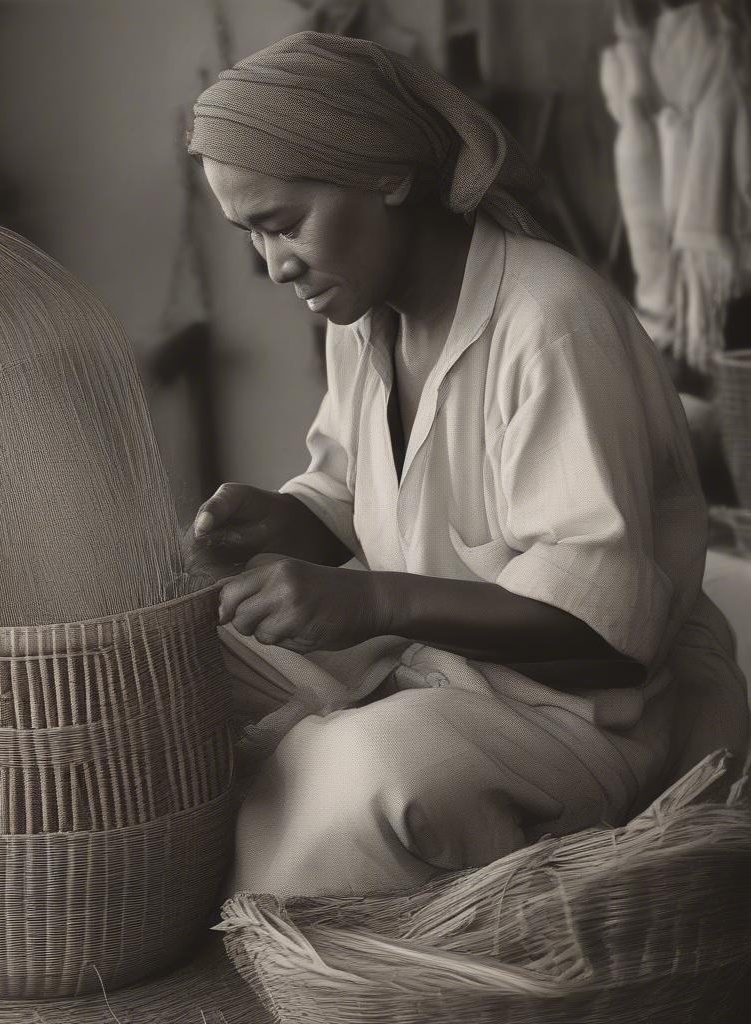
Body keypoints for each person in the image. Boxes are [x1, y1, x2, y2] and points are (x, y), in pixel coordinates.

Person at [184, 31, 749, 899]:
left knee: (375, 772)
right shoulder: (361, 320)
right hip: (435, 664)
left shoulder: (552, 322)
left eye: (284, 224)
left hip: (585, 722)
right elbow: (359, 495)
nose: (274, 266)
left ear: (389, 176)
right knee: (170, 666)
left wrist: (372, 599)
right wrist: (284, 519)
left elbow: (607, 643)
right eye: (250, 238)